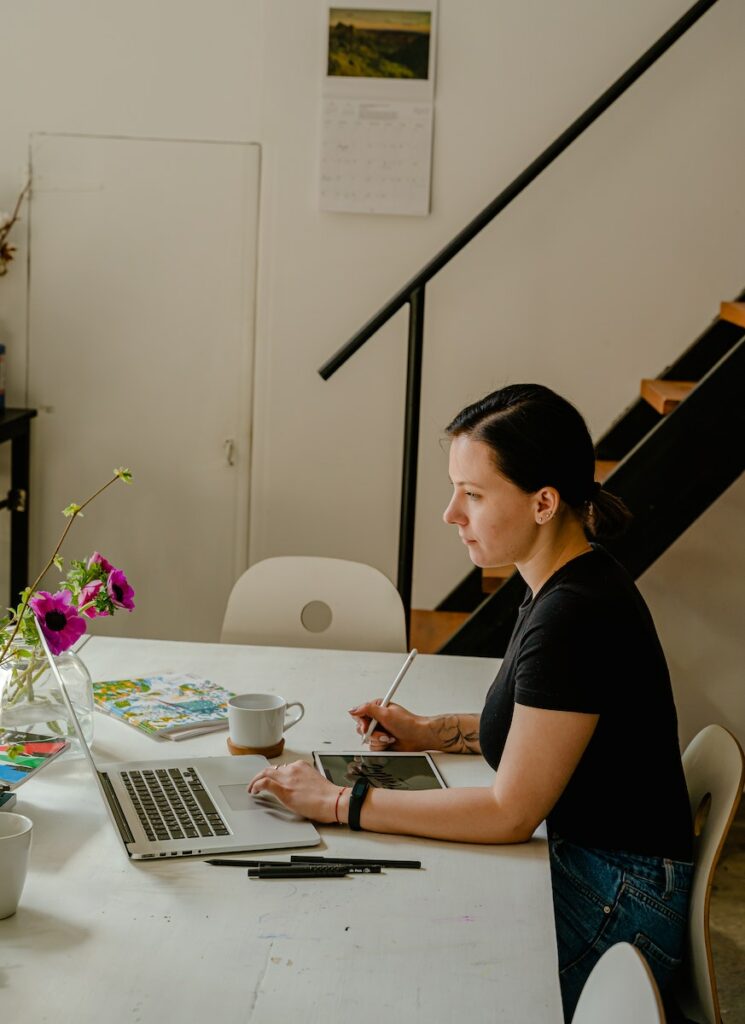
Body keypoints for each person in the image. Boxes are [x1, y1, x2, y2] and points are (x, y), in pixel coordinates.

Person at [248, 383, 694, 1021]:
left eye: (474, 494)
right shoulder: (562, 582)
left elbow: (508, 813)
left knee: (400, 967)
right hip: (603, 872)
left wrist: (339, 803)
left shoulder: (575, 614)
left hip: (621, 901)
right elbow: (541, 728)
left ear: (544, 503)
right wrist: (427, 731)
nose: (451, 513)